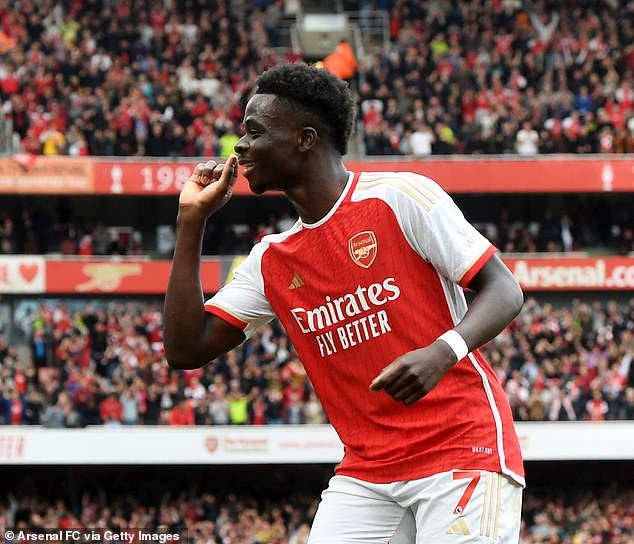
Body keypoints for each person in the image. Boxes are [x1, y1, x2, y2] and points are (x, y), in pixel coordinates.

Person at [164, 63, 525, 543]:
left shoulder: (399, 197)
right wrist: (192, 220)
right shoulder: (270, 259)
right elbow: (186, 348)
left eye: (254, 131)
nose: (240, 145)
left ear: (305, 139)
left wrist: (444, 351)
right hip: (368, 470)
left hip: (461, 447)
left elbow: (504, 289)